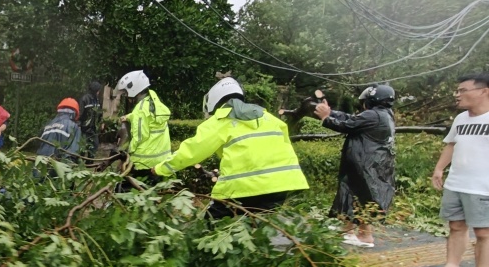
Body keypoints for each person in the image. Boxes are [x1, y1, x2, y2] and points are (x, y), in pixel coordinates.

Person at [153, 76, 308, 218]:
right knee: (257, 229)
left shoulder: (220, 120)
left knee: (212, 227)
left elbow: (191, 151)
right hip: (280, 185)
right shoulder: (270, 118)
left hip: (242, 188)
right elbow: (284, 146)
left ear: (214, 100)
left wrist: (160, 169)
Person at [421, 73, 489, 267]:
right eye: (457, 91)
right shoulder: (461, 119)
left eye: (462, 90)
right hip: (457, 183)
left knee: (483, 233)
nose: (457, 95)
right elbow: (451, 144)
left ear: (483, 91)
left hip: (482, 187)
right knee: (456, 226)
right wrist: (439, 169)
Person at [313, 84, 396, 248]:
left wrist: (326, 118)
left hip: (366, 164)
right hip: (371, 163)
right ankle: (349, 230)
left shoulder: (375, 115)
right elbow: (352, 119)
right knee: (359, 196)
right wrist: (331, 113)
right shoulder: (383, 114)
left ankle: (362, 235)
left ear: (372, 100)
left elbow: (346, 125)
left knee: (360, 196)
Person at [115, 70, 172, 183]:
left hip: (144, 163)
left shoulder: (140, 110)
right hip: (160, 161)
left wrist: (126, 151)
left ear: (134, 89)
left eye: (126, 92)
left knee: (125, 192)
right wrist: (130, 117)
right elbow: (148, 118)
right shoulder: (153, 101)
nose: (126, 96)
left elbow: (140, 137)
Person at [36, 97, 82, 163]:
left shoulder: (47, 124)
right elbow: (73, 152)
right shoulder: (74, 127)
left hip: (40, 164)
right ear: (75, 113)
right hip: (58, 167)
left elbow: (38, 144)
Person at [79, 81, 103, 158]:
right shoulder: (85, 99)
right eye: (98, 90)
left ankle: (90, 162)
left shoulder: (97, 100)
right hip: (84, 128)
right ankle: (79, 162)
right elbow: (80, 113)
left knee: (94, 145)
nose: (99, 92)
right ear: (95, 90)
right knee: (82, 147)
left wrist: (101, 122)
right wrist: (79, 125)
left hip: (93, 128)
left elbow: (100, 112)